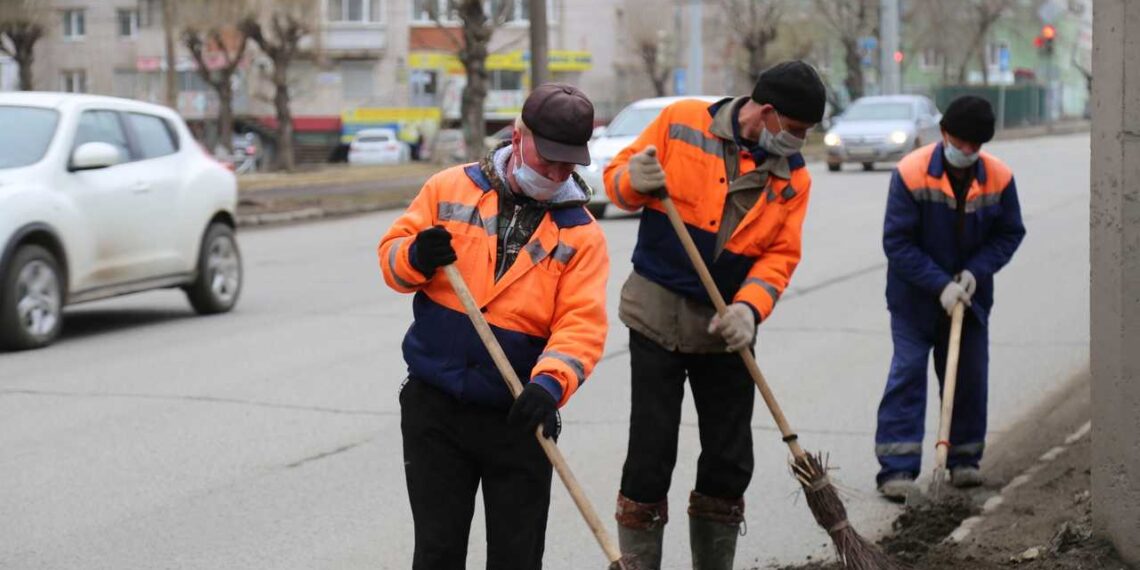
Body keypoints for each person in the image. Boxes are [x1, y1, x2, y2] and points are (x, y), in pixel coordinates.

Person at [603, 61, 826, 569]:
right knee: (650, 455)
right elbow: (616, 182)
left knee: (729, 458)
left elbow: (779, 256)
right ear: (766, 113)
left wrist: (749, 310)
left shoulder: (792, 178)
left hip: (727, 328)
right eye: (796, 130)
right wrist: (633, 180)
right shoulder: (682, 121)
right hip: (655, 316)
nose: (801, 141)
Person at [377, 83, 609, 569]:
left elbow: (580, 324)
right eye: (548, 158)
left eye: (568, 164)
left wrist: (550, 384)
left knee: (516, 557)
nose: (555, 172)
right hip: (435, 409)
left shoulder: (581, 233)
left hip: (519, 417)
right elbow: (392, 261)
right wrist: (417, 255)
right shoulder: (449, 188)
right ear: (519, 135)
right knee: (437, 553)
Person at [874, 95, 1027, 502]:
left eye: (975, 146)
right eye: (961, 143)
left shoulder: (998, 177)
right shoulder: (910, 173)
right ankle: (897, 468)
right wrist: (939, 284)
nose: (967, 152)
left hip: (971, 299)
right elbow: (897, 242)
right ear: (944, 135)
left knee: (969, 378)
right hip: (914, 299)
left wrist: (976, 272)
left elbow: (1010, 233)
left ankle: (963, 461)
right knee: (907, 373)